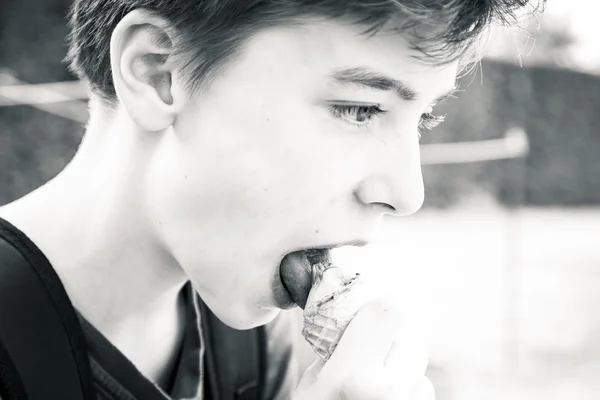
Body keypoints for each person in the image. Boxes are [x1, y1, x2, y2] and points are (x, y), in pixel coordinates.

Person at [0, 0, 543, 399]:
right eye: (359, 109)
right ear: (158, 73)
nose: (408, 193)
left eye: (422, 118)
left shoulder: (260, 353)